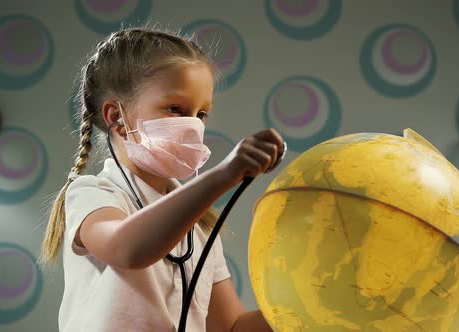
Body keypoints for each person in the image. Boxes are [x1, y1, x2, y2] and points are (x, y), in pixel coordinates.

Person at [39, 27, 284, 332]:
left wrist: (313, 309)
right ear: (117, 117)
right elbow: (127, 249)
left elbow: (231, 326)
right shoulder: (92, 195)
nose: (192, 126)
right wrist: (223, 175)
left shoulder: (198, 228)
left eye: (201, 114)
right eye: (175, 109)